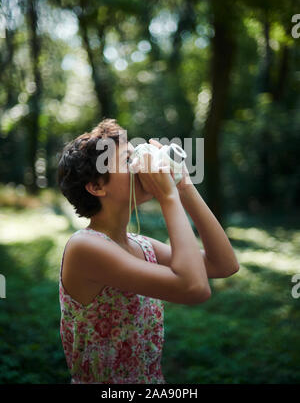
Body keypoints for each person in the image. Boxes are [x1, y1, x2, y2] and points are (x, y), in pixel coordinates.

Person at [57, 118, 239, 384]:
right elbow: (195, 288)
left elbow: (223, 265)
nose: (142, 164)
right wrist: (167, 198)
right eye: (129, 158)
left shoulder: (142, 245)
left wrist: (183, 185)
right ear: (97, 186)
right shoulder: (84, 247)